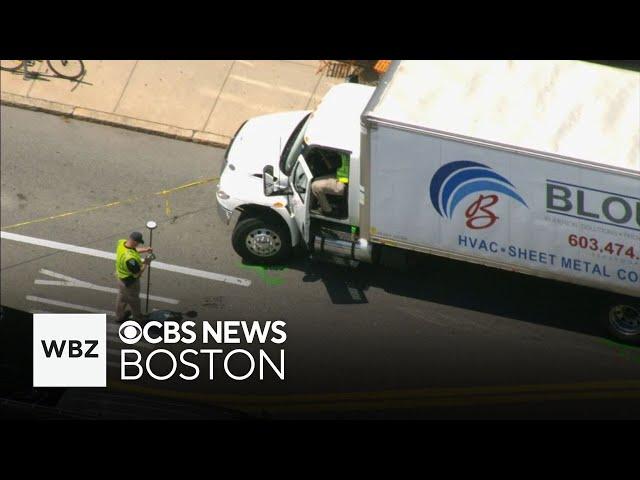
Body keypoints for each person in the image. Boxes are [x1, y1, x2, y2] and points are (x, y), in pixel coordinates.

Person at [114, 231, 153, 323]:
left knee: (122, 297)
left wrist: (145, 250)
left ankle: (119, 316)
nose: (138, 244)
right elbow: (137, 273)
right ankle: (138, 318)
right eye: (138, 242)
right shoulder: (130, 260)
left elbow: (133, 250)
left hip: (120, 277)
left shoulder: (122, 243)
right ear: (135, 242)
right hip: (129, 281)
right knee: (134, 300)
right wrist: (146, 263)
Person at [310, 151, 349, 216]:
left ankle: (327, 211)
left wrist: (323, 155)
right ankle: (313, 205)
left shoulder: (343, 150)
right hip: (342, 177)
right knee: (313, 180)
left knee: (315, 186)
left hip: (345, 183)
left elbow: (330, 165)